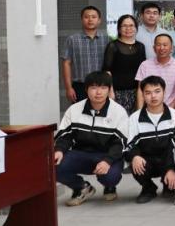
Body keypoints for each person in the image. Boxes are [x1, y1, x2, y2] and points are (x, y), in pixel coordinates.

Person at [54, 71, 129, 205]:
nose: (98, 92)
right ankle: (82, 187)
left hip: (107, 155)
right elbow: (65, 135)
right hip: (81, 154)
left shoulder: (118, 112)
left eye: (103, 88)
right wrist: (59, 150)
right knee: (53, 166)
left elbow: (121, 143)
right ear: (86, 89)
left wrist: (107, 161)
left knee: (110, 177)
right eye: (94, 88)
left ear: (109, 90)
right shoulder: (74, 110)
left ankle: (109, 186)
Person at [126, 75, 175, 203]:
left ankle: (169, 185)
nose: (153, 96)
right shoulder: (135, 118)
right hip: (147, 161)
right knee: (135, 161)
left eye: (157, 91)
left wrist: (171, 168)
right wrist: (134, 156)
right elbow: (129, 145)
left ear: (164, 92)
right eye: (148, 93)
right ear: (143, 95)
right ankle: (148, 188)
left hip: (168, 160)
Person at [61, 5, 110, 103]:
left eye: (94, 17)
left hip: (102, 86)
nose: (90, 20)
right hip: (80, 86)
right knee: (79, 112)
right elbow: (66, 64)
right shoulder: (72, 39)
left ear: (99, 20)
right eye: (86, 17)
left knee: (101, 112)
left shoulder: (107, 40)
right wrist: (68, 88)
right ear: (82, 20)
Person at [103, 14, 146, 111]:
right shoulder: (112, 46)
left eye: (131, 25)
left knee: (135, 118)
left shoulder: (140, 46)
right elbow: (107, 71)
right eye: (124, 26)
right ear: (119, 29)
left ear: (136, 28)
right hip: (117, 92)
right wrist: (110, 91)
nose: (128, 28)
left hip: (137, 92)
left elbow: (143, 71)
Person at [134, 33, 175, 109]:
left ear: (172, 48)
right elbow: (140, 90)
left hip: (172, 109)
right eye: (158, 45)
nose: (162, 48)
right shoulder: (145, 65)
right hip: (148, 109)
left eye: (165, 45)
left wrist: (169, 110)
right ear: (154, 48)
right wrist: (140, 111)